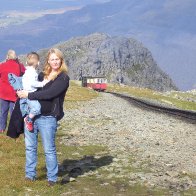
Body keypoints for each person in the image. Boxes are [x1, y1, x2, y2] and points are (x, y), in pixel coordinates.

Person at [17, 48, 70, 186]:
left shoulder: (63, 78)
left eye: (57, 59)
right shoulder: (40, 75)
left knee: (49, 149)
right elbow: (29, 86)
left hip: (48, 117)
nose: (54, 62)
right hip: (32, 117)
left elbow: (50, 94)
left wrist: (28, 95)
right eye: (52, 59)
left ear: (61, 60)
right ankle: (30, 175)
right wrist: (26, 111)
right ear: (48, 60)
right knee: (30, 147)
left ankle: (52, 178)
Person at [8, 52, 49, 131]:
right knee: (37, 108)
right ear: (38, 63)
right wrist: (42, 84)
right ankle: (29, 119)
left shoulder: (26, 71)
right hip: (30, 94)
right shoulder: (33, 73)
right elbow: (33, 83)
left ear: (26, 62)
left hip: (26, 94)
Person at [0, 49, 25, 133]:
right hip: (14, 93)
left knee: (3, 111)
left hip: (3, 92)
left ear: (7, 56)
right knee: (13, 112)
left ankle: (2, 128)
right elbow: (24, 72)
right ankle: (13, 129)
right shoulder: (19, 65)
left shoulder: (2, 65)